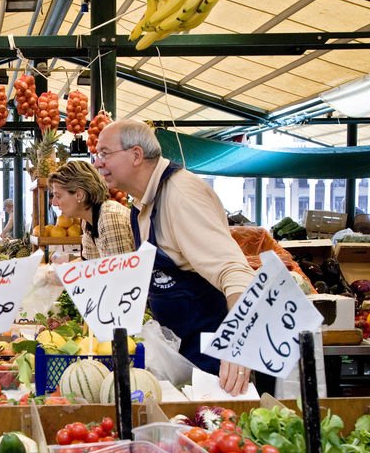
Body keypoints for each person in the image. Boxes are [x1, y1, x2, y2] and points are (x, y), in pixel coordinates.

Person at [94, 119, 255, 396]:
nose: (98, 163)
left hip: (215, 370)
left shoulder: (181, 195)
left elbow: (236, 272)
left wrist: (239, 346)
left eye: (105, 153)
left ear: (136, 155)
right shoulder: (143, 203)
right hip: (183, 359)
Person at [49, 161, 135, 259]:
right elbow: (89, 263)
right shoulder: (88, 220)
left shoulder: (109, 218)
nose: (54, 203)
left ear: (79, 195)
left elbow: (121, 272)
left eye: (58, 196)